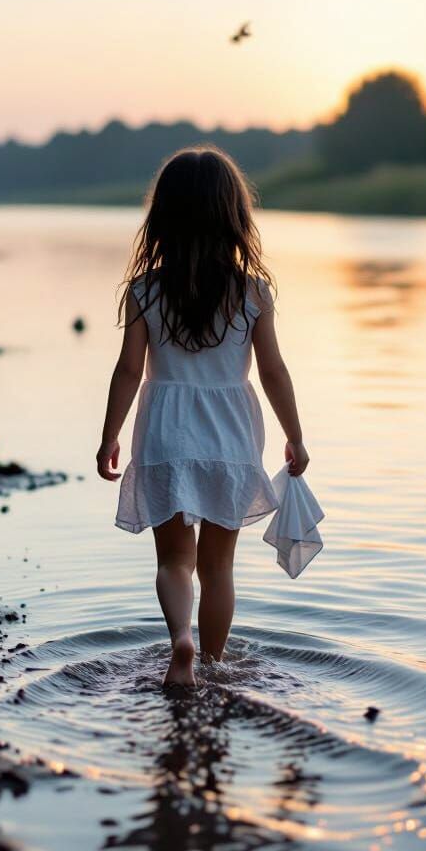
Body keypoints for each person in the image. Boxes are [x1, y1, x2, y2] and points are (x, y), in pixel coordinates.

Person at [96, 146, 309, 687]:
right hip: (230, 434)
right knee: (218, 570)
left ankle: (180, 644)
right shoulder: (253, 292)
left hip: (166, 428)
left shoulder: (145, 290)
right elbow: (274, 371)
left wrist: (109, 438)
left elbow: (127, 370)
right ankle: (213, 666)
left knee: (174, 561)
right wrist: (295, 436)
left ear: (162, 216)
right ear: (234, 215)